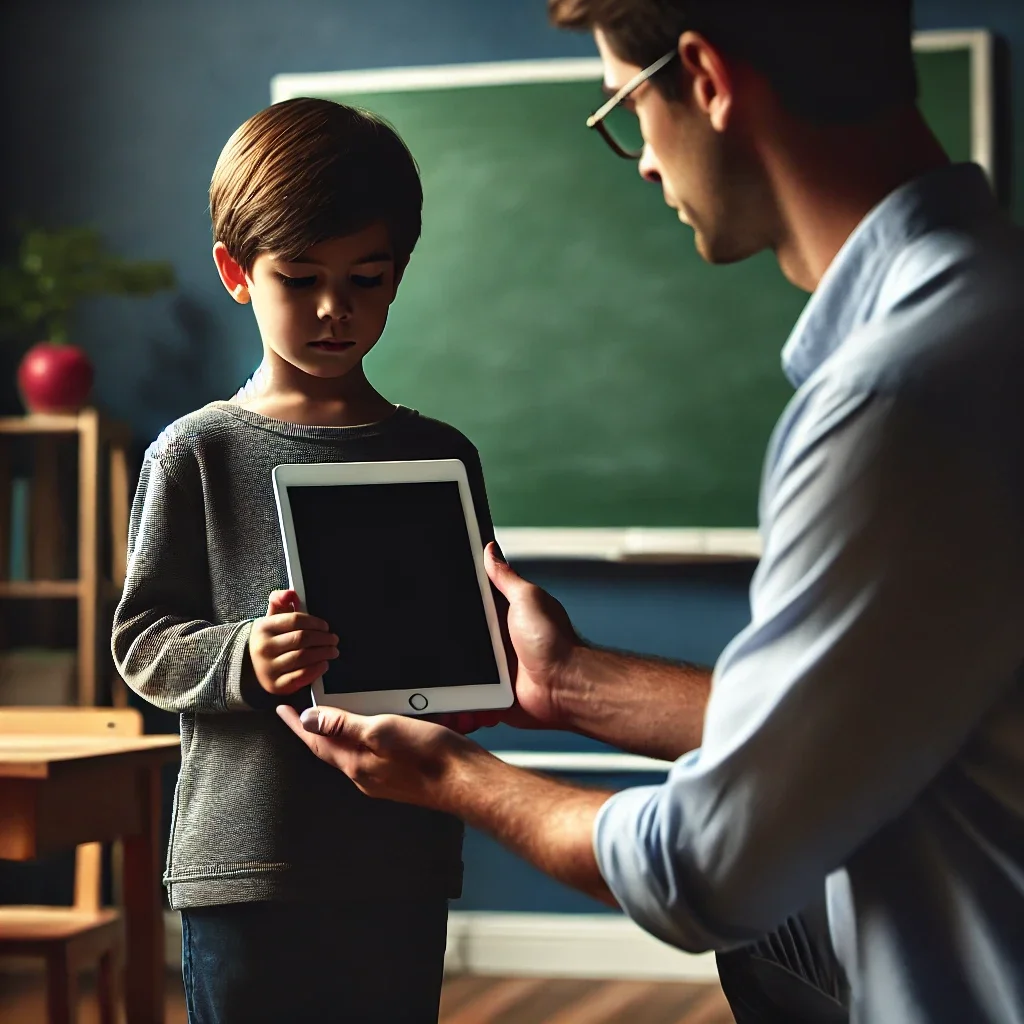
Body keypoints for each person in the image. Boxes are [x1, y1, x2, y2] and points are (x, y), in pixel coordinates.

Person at [277, 2, 1024, 1022]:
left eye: (625, 106)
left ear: (707, 79)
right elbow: (844, 728)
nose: (637, 160)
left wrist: (464, 778)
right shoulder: (989, 312)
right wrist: (572, 683)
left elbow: (710, 867)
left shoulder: (896, 401)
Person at [111, 98, 501, 1024]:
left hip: (401, 855)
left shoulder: (439, 455)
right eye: (302, 278)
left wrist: (483, 671)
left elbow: (473, 629)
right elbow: (142, 639)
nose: (337, 309)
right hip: (247, 863)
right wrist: (242, 656)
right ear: (237, 274)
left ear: (399, 275)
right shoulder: (194, 451)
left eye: (367, 278)